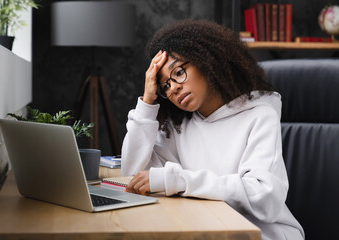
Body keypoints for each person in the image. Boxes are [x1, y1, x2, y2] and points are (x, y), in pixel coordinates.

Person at [121, 19, 304, 240]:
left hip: (263, 233)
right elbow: (132, 174)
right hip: (206, 229)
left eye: (178, 72)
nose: (174, 87)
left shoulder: (259, 115)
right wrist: (147, 103)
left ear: (205, 60)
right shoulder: (179, 126)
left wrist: (178, 180)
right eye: (165, 86)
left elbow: (265, 198)